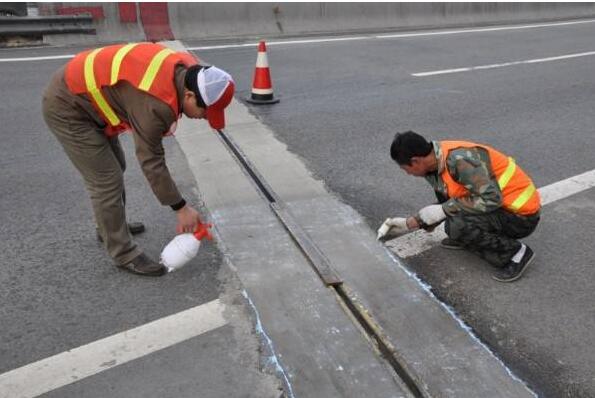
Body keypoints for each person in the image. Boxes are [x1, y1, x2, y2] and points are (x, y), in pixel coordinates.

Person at [42, 42, 235, 276]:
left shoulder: (187, 71)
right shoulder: (156, 104)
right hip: (68, 106)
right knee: (106, 179)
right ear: (189, 95)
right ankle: (124, 254)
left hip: (85, 97)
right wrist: (181, 207)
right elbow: (151, 160)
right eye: (206, 112)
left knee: (116, 164)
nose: (204, 118)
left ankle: (109, 227)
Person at [378, 131, 541, 282]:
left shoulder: (460, 161)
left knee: (458, 226)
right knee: (452, 227)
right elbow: (448, 201)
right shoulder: (434, 166)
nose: (407, 173)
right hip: (499, 208)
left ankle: (515, 252)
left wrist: (444, 210)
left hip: (520, 217)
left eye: (405, 168)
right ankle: (468, 237)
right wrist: (409, 223)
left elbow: (491, 198)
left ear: (415, 161)